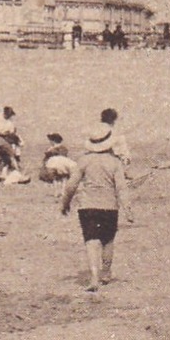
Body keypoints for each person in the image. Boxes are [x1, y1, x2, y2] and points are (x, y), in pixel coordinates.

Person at [60, 125, 130, 292]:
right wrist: (128, 208)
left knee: (91, 241)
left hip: (87, 206)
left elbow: (71, 185)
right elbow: (121, 187)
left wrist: (65, 203)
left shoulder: (84, 160)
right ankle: (105, 272)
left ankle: (93, 277)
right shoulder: (115, 162)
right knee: (107, 240)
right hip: (109, 206)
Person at [0, 106, 30, 184]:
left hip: (6, 140)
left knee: (7, 158)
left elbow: (12, 132)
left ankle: (3, 174)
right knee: (10, 155)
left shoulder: (9, 123)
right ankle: (17, 173)